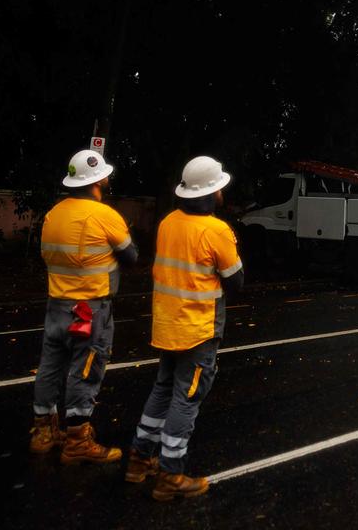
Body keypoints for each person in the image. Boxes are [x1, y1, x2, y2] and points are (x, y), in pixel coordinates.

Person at [125, 156, 244, 500]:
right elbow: (235, 281)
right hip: (198, 329)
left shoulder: (168, 223)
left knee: (162, 390)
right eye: (220, 186)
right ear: (211, 192)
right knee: (186, 399)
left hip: (168, 324)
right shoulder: (216, 230)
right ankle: (170, 476)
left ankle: (138, 459)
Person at [30, 149, 138, 463]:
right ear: (97, 180)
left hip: (57, 304)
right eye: (105, 173)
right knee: (85, 369)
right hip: (90, 307)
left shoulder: (53, 214)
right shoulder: (105, 215)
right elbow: (131, 257)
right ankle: (77, 439)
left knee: (50, 366)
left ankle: (43, 432)